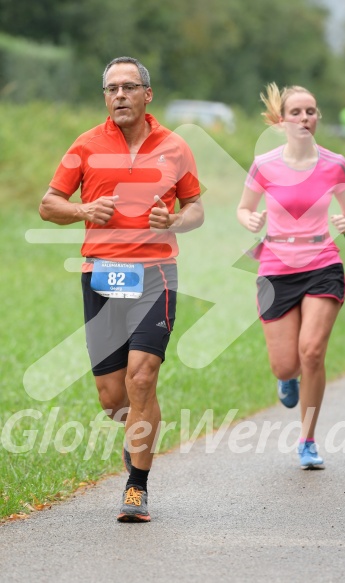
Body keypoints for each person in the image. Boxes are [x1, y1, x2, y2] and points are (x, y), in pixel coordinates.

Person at [39, 56, 203, 521]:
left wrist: (174, 220)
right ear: (105, 97)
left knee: (142, 376)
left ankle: (136, 487)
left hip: (156, 275)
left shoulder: (175, 147)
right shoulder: (86, 145)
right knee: (115, 397)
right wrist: (84, 211)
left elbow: (195, 208)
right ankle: (141, 418)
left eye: (130, 87)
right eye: (112, 89)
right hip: (102, 275)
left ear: (147, 95)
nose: (120, 96)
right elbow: (48, 204)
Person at [237, 82, 345, 469]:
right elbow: (244, 208)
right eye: (296, 112)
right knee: (285, 365)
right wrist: (250, 219)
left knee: (312, 351)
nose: (305, 118)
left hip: (323, 261)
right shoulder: (265, 165)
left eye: (311, 111)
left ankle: (307, 440)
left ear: (318, 117)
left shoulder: (335, 163)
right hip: (276, 265)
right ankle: (286, 379)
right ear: (281, 120)